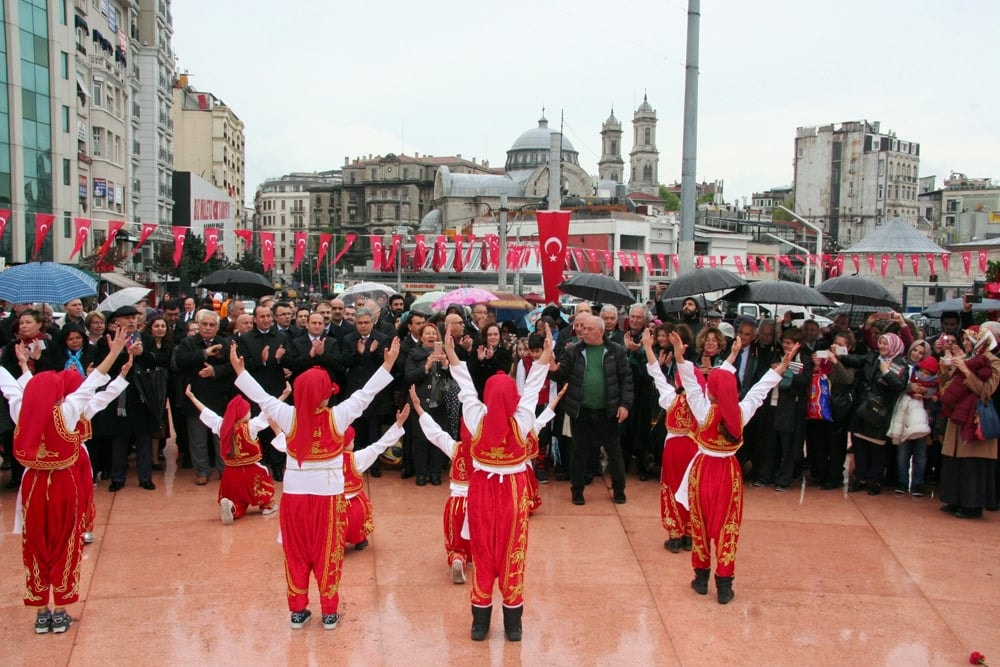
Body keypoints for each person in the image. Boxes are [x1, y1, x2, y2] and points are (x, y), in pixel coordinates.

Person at [232, 337, 400, 630]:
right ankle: (330, 612)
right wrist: (387, 364)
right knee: (328, 552)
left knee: (296, 553)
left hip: (294, 500)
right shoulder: (338, 416)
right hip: (329, 499)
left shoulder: (289, 416)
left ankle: (298, 612)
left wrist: (240, 372)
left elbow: (263, 399)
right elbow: (365, 394)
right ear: (326, 393)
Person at [2, 326, 130, 633]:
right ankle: (60, 610)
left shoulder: (21, 411)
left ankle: (41, 611)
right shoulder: (70, 410)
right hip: (62, 482)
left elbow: (11, 388)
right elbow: (95, 383)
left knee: (35, 544)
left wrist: (22, 367)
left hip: (33, 484)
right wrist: (114, 353)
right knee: (64, 542)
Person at [442, 324, 551, 642]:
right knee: (512, 550)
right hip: (514, 493)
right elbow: (533, 388)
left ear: (489, 395)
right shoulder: (522, 420)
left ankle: (480, 621)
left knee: (483, 549)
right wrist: (546, 351)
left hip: (481, 492)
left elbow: (465, 386)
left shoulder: (476, 417)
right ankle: (513, 623)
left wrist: (451, 353)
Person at [672, 330, 795, 604]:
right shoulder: (740, 413)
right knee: (727, 526)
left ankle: (701, 578)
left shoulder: (704, 410)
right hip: (729, 473)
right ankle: (725, 585)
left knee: (700, 523)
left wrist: (681, 358)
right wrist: (780, 368)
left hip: (702, 471)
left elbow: (692, 385)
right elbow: (759, 391)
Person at [550, 314, 633, 506]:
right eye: (582, 328)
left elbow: (626, 381)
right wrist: (553, 368)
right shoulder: (574, 351)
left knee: (614, 451)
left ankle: (619, 489)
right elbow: (562, 374)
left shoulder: (616, 351)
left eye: (589, 329)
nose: (583, 332)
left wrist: (624, 404)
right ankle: (577, 490)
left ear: (601, 331)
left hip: (608, 410)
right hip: (581, 410)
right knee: (579, 452)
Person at [184, 386, 281, 523]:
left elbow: (207, 413)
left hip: (230, 474)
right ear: (243, 414)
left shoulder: (222, 426)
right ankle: (267, 505)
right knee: (263, 476)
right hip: (251, 472)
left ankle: (232, 508)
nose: (250, 413)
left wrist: (192, 397)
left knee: (236, 499)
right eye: (248, 411)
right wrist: (282, 395)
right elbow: (267, 413)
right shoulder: (251, 427)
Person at [642, 327, 700, 553]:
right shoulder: (699, 400)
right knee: (690, 489)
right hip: (694, 447)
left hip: (674, 447)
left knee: (672, 487)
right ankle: (689, 533)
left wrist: (648, 346)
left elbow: (655, 371)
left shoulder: (670, 396)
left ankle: (674, 533)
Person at [408, 384, 474, 584]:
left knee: (456, 542)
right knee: (481, 539)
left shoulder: (455, 448)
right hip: (478, 502)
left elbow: (434, 432)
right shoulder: (486, 454)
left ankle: (457, 558)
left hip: (456, 502)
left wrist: (419, 408)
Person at [90, 306, 159, 492]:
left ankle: (145, 477)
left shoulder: (146, 339)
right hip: (117, 395)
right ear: (116, 322)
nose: (131, 321)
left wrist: (141, 354)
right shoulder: (107, 342)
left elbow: (156, 361)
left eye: (134, 318)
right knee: (119, 439)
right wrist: (121, 354)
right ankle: (117, 478)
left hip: (141, 394)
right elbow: (101, 367)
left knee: (143, 437)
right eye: (126, 318)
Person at [937, 328, 1000, 518]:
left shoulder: (993, 361)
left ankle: (972, 505)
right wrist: (946, 369)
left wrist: (965, 370)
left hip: (974, 419)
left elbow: (987, 391)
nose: (963, 342)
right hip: (958, 416)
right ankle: (955, 500)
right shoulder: (969, 357)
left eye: (967, 339)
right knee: (955, 462)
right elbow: (947, 386)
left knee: (972, 466)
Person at [837, 332, 910, 495]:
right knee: (859, 445)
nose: (882, 346)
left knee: (877, 449)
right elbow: (856, 360)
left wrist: (886, 372)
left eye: (885, 343)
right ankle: (860, 478)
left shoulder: (899, 363)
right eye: (880, 343)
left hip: (880, 411)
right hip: (863, 406)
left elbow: (898, 386)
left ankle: (876, 481)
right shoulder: (873, 356)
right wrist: (839, 352)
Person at [175, 310, 235, 485]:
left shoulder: (225, 343)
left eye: (212, 325)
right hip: (196, 398)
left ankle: (224, 469)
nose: (208, 328)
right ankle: (202, 470)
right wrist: (204, 353)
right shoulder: (187, 342)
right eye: (205, 324)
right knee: (198, 438)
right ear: (199, 325)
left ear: (217, 327)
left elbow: (232, 366)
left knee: (221, 437)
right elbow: (180, 361)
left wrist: (214, 371)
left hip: (219, 398)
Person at [342, 405, 410, 550]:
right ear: (349, 442)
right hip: (354, 509)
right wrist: (398, 424)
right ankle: (359, 539)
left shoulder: (327, 460)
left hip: (333, 507)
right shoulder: (357, 458)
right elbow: (379, 446)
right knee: (360, 504)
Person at [235, 305, 289, 481]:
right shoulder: (245, 339)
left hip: (275, 390)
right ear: (255, 319)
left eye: (268, 316)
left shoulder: (281, 336)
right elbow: (241, 366)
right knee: (257, 428)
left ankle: (277, 465)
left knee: (276, 428)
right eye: (262, 316)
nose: (266, 319)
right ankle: (258, 464)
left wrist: (282, 361)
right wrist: (261, 360)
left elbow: (289, 361)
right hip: (254, 392)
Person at [404, 323, 452, 486]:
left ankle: (436, 472)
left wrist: (446, 365)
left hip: (440, 402)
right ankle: (421, 473)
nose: (431, 336)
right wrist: (426, 366)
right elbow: (408, 377)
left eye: (434, 333)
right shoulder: (414, 354)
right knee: (420, 439)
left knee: (438, 437)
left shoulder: (446, 353)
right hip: (420, 402)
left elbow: (453, 378)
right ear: (421, 337)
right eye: (427, 333)